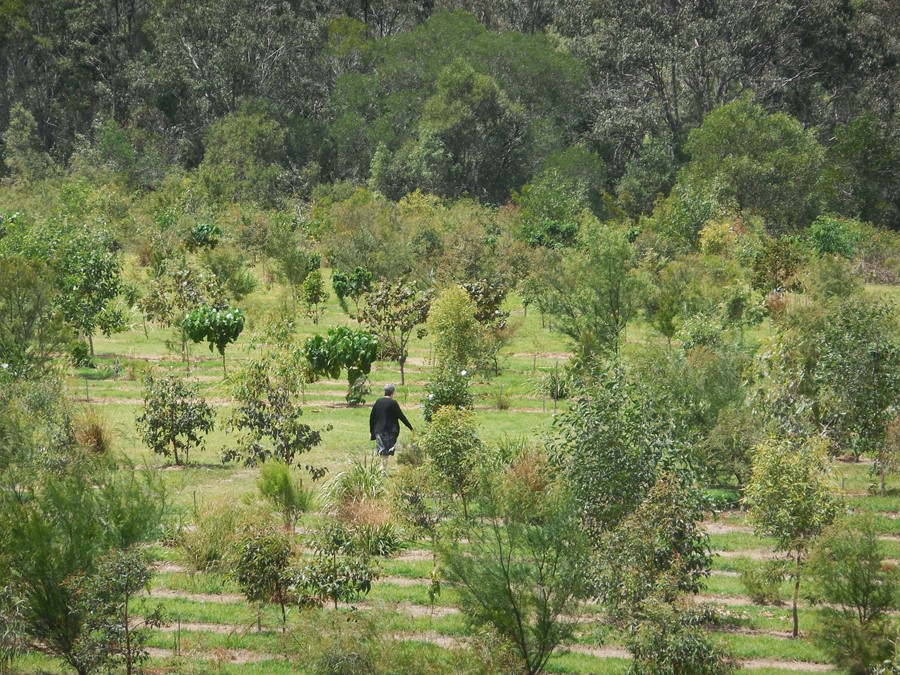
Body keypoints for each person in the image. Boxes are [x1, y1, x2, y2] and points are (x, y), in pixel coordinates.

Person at [369, 383, 413, 475]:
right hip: (389, 431)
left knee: (382, 451)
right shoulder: (393, 403)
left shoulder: (378, 402)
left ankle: (381, 469)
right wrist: (410, 427)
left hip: (379, 430)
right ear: (392, 392)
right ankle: (382, 470)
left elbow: (372, 417)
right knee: (385, 451)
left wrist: (371, 431)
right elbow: (401, 416)